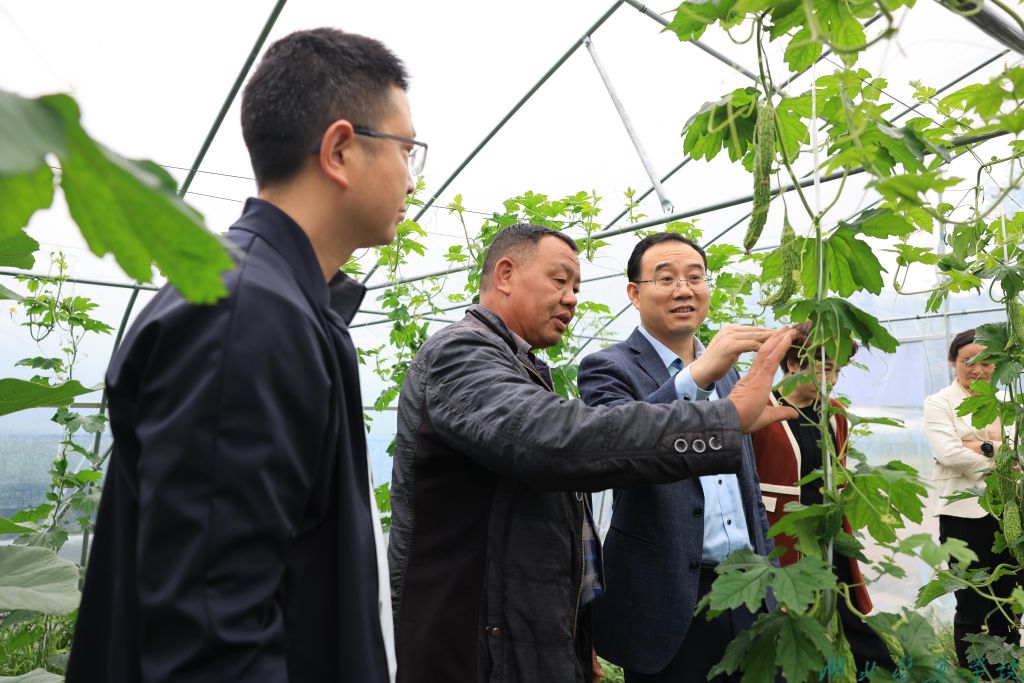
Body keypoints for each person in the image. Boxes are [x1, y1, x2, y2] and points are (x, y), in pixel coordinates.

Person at [66, 28, 417, 683]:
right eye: (407, 150)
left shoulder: (275, 300)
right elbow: (212, 642)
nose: (411, 179)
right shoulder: (246, 317)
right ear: (341, 149)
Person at [388, 223, 798, 683]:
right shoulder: (460, 353)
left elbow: (555, 525)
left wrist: (577, 632)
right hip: (475, 644)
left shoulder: (521, 368)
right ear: (504, 274)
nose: (572, 299)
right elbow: (562, 444)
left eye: (577, 288)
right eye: (560, 281)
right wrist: (722, 419)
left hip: (522, 631)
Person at [577, 232, 776, 683]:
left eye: (694, 277)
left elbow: (748, 485)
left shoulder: (729, 373)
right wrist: (697, 377)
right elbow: (620, 446)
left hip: (748, 587)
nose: (683, 290)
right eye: (665, 278)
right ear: (634, 293)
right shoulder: (607, 368)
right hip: (666, 599)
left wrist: (771, 578)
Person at [751, 322, 891, 674]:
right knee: (788, 621)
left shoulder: (835, 413)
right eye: (825, 368)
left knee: (846, 611)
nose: (833, 379)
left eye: (838, 371)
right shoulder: (759, 410)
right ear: (793, 364)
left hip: (828, 532)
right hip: (780, 536)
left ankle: (881, 674)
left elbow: (837, 473)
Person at [923, 328, 1021, 668]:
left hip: (1011, 512)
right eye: (968, 361)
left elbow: (1021, 451)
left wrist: (978, 445)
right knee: (972, 605)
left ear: (997, 365)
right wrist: (1002, 455)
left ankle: (1006, 672)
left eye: (987, 361)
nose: (978, 369)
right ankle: (974, 674)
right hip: (963, 516)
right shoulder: (939, 403)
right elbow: (949, 453)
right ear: (953, 362)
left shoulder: (1010, 403)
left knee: (1010, 604)